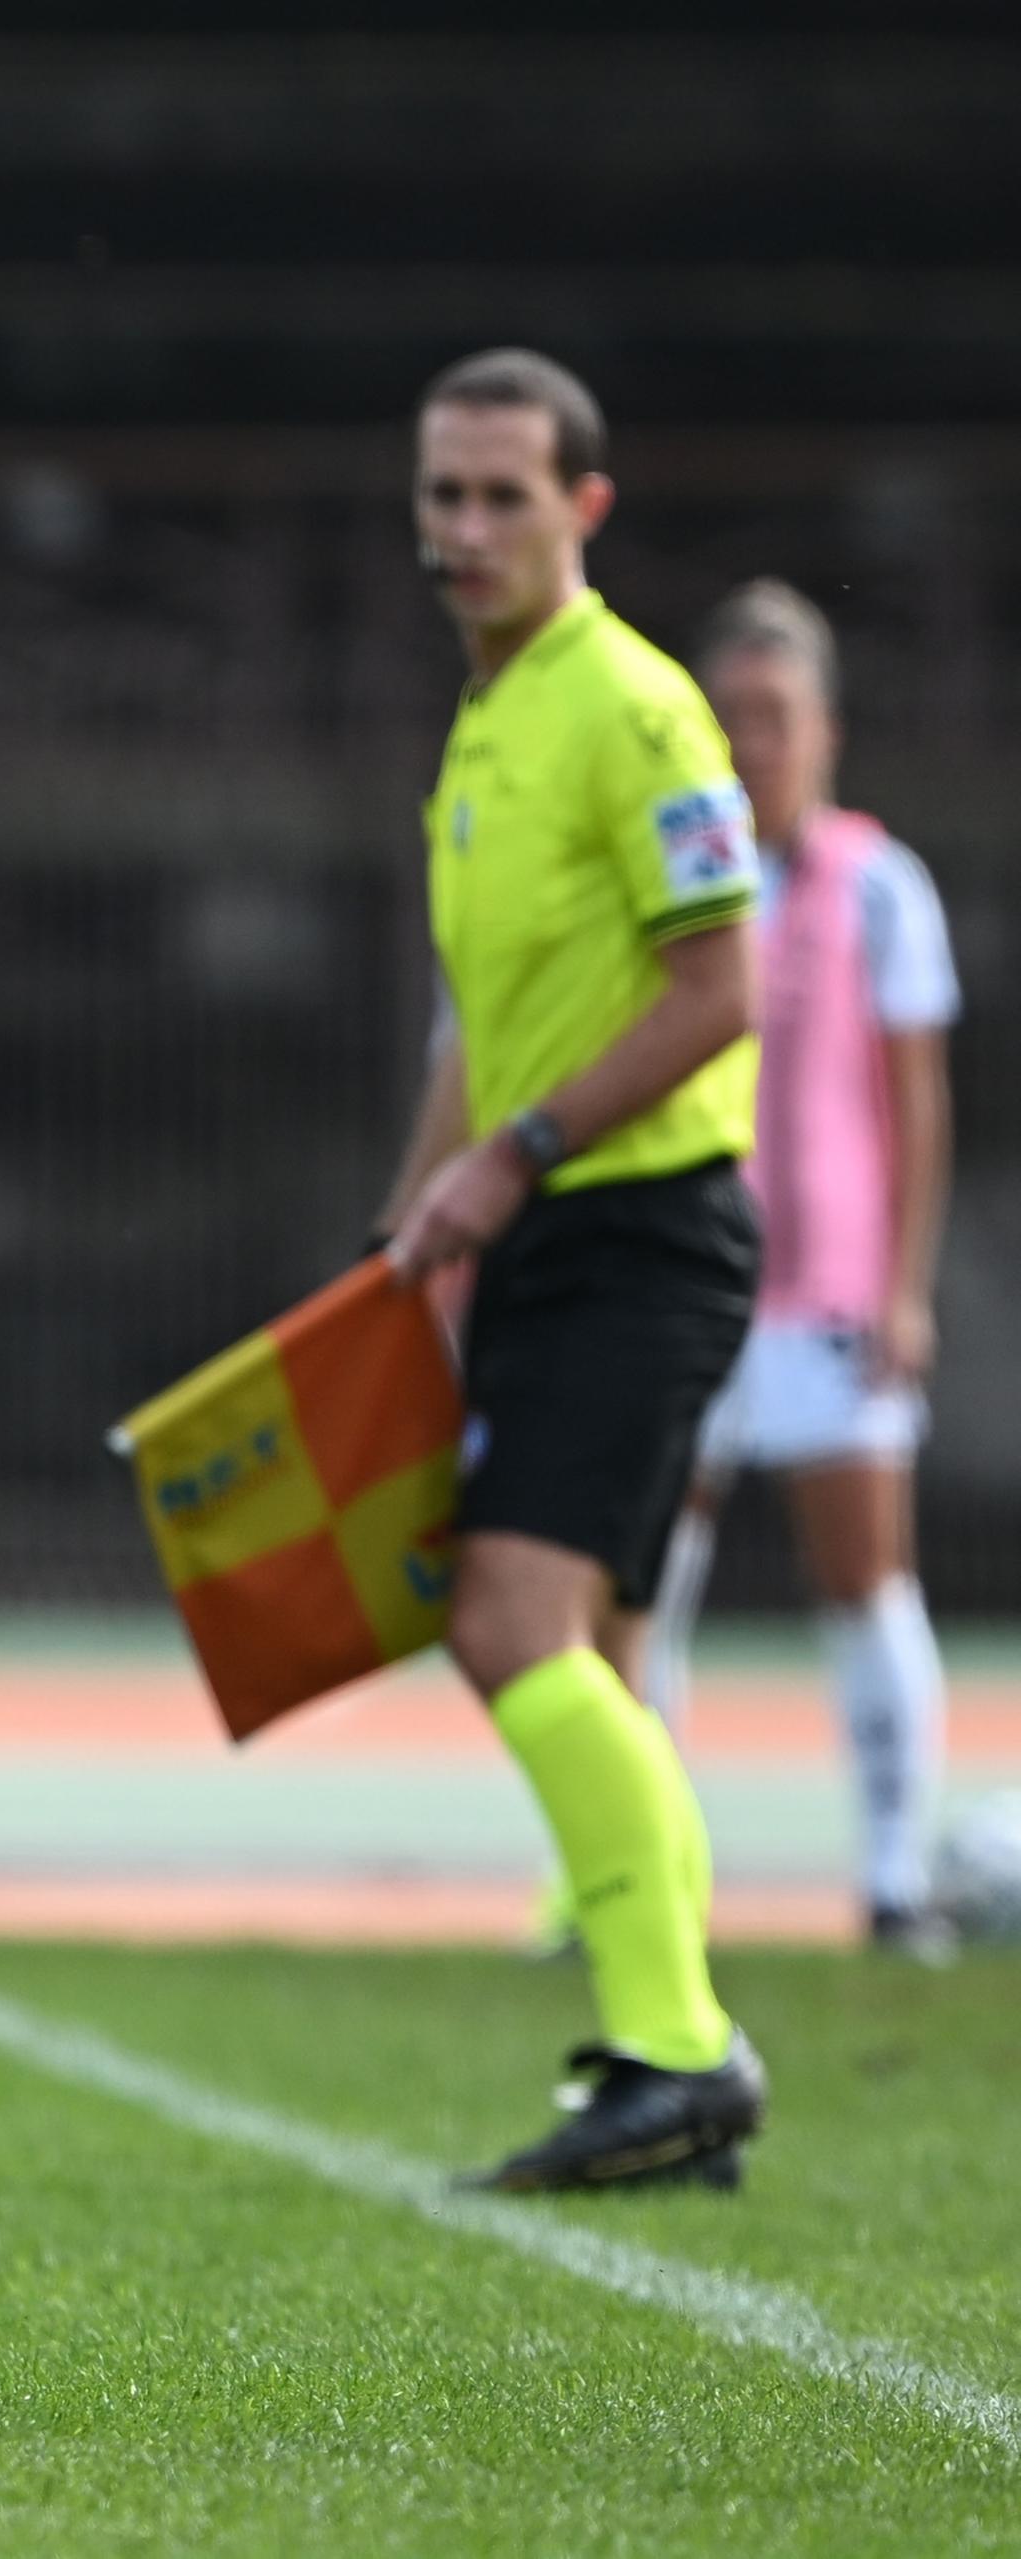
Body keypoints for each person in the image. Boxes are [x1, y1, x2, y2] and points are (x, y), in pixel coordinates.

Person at [377, 349, 769, 2192]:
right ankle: (668, 2041)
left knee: (509, 1624)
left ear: (583, 508)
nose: (463, 529)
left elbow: (724, 988)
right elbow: (489, 1015)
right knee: (581, 1643)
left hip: (644, 1225)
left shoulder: (635, 707)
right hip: (553, 1229)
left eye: (501, 497)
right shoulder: (490, 719)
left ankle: (682, 2047)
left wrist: (511, 1156)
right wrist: (411, 1218)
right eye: (441, 495)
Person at [640, 580, 961, 1963]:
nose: (752, 742)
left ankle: (894, 1878)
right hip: (689, 1286)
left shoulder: (880, 887)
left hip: (829, 1292)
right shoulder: (670, 874)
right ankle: (645, 1876)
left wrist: (903, 1284)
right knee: (644, 1582)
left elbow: (915, 1102)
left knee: (866, 1580)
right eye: (730, 716)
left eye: (775, 714)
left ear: (825, 726)